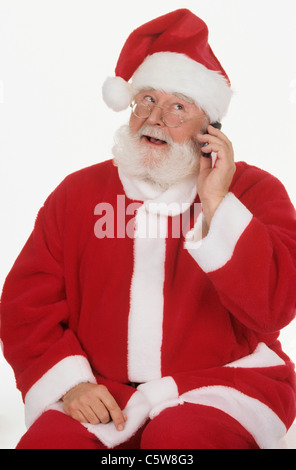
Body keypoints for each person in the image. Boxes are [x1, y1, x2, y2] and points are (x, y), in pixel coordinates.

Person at [1, 9, 296, 450]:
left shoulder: (254, 191)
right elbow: (27, 305)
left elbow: (276, 307)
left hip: (222, 385)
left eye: (179, 105)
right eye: (147, 100)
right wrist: (72, 385)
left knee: (179, 439)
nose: (156, 117)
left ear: (209, 129)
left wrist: (216, 201)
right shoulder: (78, 193)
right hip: (105, 391)